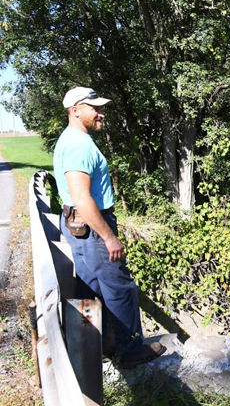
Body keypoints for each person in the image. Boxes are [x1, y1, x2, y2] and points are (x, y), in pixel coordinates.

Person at [53, 87, 163, 368]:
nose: (101, 113)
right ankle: (131, 351)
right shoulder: (78, 145)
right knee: (121, 288)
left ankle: (93, 349)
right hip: (92, 226)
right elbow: (81, 197)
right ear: (75, 110)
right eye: (95, 108)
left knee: (88, 286)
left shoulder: (72, 140)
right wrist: (109, 237)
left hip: (78, 225)